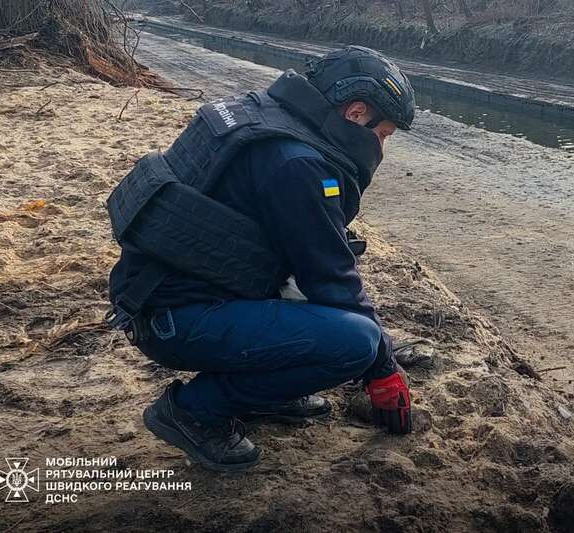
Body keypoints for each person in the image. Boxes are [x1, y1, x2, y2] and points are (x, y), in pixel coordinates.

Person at [105, 46, 416, 472]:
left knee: (338, 322)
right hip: (177, 320)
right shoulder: (300, 165)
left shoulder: (264, 117)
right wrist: (383, 368)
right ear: (357, 113)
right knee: (355, 342)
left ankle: (269, 393)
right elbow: (331, 280)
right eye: (384, 135)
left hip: (156, 297)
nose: (381, 146)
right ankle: (193, 410)